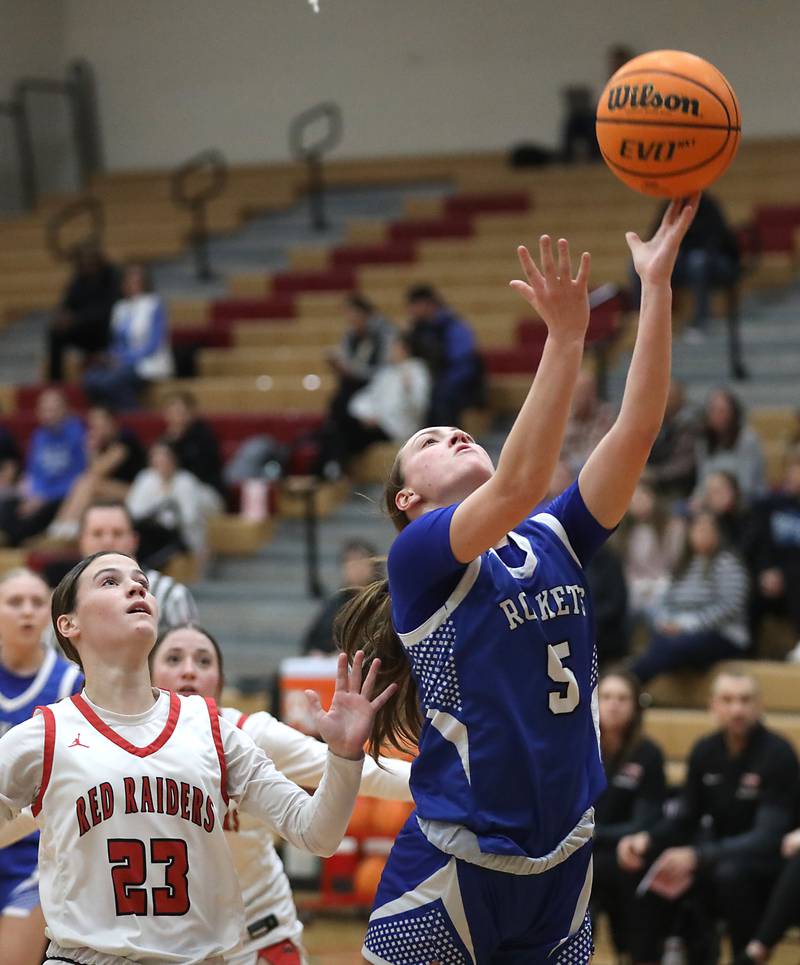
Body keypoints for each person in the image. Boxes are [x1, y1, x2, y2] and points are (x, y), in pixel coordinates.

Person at [335, 198, 698, 963]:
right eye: (430, 441)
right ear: (409, 501)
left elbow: (636, 428)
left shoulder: (555, 533)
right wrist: (565, 337)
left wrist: (655, 289)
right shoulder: (421, 558)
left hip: (563, 862)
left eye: (455, 427)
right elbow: (524, 475)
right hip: (455, 866)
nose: (454, 433)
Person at [0, 549, 395, 963]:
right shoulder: (43, 736)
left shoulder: (212, 728)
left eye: (141, 582)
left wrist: (345, 756)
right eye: (110, 581)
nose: (136, 586)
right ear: (68, 624)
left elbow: (317, 834)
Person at [150, 622, 412, 964]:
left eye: (203, 662)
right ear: (148, 676)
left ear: (221, 681)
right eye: (173, 659)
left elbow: (360, 770)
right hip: (171, 943)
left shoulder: (251, 734)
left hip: (258, 935)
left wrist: (446, 783)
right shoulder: (124, 749)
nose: (189, 671)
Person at [618, 670, 799, 964]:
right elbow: (685, 818)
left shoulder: (777, 754)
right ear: (713, 706)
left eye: (745, 700)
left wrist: (699, 855)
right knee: (648, 865)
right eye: (727, 700)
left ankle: (745, 956)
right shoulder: (705, 750)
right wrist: (646, 839)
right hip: (718, 853)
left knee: (729, 875)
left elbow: (768, 837)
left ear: (759, 706)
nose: (737, 709)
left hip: (768, 863)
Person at [0, 569, 81, 965]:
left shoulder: (71, 686)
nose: (27, 612)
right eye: (15, 602)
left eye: (37, 603)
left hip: (33, 860)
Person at [591, 670, 666, 963]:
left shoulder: (648, 754)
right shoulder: (578, 747)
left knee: (624, 869)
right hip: (581, 850)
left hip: (623, 852)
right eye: (607, 697)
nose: (614, 705)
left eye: (622, 698)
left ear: (635, 706)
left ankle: (633, 954)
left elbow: (645, 821)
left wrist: (597, 835)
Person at [630, 510, 750, 683]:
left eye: (707, 529)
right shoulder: (683, 564)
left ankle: (632, 679)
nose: (701, 534)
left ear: (718, 534)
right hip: (682, 634)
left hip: (722, 635)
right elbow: (665, 600)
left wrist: (686, 625)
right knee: (661, 641)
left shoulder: (727, 562)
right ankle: (631, 681)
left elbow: (729, 606)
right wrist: (666, 621)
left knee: (672, 646)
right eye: (697, 529)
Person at [72, 500, 197, 630]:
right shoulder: (68, 594)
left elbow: (188, 646)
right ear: (81, 541)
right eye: (97, 534)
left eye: (118, 533)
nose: (108, 541)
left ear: (134, 540)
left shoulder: (171, 595)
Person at [0, 389, 86, 547]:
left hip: (61, 496)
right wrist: (31, 495)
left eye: (53, 409)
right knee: (7, 504)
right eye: (44, 409)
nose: (48, 414)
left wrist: (44, 497)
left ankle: (20, 541)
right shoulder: (38, 435)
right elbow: (33, 471)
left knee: (30, 519)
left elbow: (78, 476)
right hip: (38, 495)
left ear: (65, 409)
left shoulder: (77, 434)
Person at [46, 406, 146, 542]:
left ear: (111, 422)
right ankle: (60, 526)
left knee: (90, 482)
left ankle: (68, 527)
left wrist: (91, 450)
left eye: (100, 424)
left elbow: (99, 470)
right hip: (108, 489)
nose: (97, 429)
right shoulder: (104, 443)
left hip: (136, 492)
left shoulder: (125, 439)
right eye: (94, 425)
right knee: (83, 483)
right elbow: (91, 472)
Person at [83, 263, 174, 410]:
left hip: (147, 362)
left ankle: (133, 415)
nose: (130, 284)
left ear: (144, 282)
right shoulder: (120, 307)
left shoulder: (154, 304)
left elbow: (153, 344)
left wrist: (125, 359)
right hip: (122, 363)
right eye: (128, 280)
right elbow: (116, 341)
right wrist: (110, 356)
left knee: (112, 381)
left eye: (135, 280)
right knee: (90, 379)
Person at [127, 440, 215, 568]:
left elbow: (189, 518)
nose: (160, 461)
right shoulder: (145, 478)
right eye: (156, 456)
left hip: (182, 538)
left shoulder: (186, 481)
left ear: (174, 459)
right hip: (150, 534)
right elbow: (133, 511)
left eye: (165, 457)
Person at [404, 284, 483, 425]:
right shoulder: (416, 329)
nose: (411, 311)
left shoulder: (453, 326)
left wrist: (440, 383)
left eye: (414, 305)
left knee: (440, 399)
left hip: (458, 382)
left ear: (427, 304)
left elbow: (463, 363)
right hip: (431, 380)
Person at [749, 446, 800, 660]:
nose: (795, 473)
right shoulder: (768, 504)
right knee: (745, 583)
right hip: (770, 579)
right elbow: (756, 545)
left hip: (795, 579)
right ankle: (745, 649)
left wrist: (785, 575)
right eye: (793, 467)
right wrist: (765, 572)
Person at [46, 245, 121, 383]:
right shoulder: (79, 280)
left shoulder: (110, 278)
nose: (87, 266)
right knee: (55, 332)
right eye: (83, 262)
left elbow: (107, 310)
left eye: (90, 262)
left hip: (104, 330)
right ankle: (55, 381)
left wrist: (76, 319)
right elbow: (67, 303)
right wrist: (61, 316)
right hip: (84, 330)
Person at [619, 482, 685, 623]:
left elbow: (675, 561)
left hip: (664, 584)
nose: (638, 503)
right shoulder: (625, 532)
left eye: (643, 496)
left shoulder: (672, 527)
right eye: (633, 499)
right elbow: (627, 567)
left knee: (659, 604)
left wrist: (656, 582)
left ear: (653, 497)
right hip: (635, 586)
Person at [301, 540, 381, 656]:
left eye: (360, 561)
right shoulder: (334, 603)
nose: (355, 568)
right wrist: (316, 652)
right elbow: (313, 639)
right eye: (350, 563)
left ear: (374, 566)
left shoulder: (384, 601)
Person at [694, 387, 767, 504]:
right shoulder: (704, 441)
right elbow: (702, 479)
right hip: (713, 498)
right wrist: (697, 498)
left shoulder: (747, 440)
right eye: (712, 411)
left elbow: (746, 484)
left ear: (733, 413)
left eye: (722, 411)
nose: (717, 416)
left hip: (746, 500)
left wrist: (717, 495)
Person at [642, 380, 701, 500]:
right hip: (653, 485)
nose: (664, 400)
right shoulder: (656, 421)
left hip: (680, 490)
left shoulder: (689, 424)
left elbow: (682, 466)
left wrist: (653, 474)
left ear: (681, 399)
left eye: (669, 396)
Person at [161, 390, 225, 498]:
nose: (175, 415)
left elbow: (198, 471)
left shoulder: (204, 437)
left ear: (191, 412)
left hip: (205, 491)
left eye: (179, 411)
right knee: (148, 479)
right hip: (172, 488)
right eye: (170, 411)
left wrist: (177, 442)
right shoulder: (164, 440)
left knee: (183, 483)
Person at [560, 369, 615, 473]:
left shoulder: (604, 414)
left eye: (587, 391)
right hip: (567, 471)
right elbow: (560, 453)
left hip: (596, 467)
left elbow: (603, 449)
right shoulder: (563, 416)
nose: (584, 396)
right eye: (580, 391)